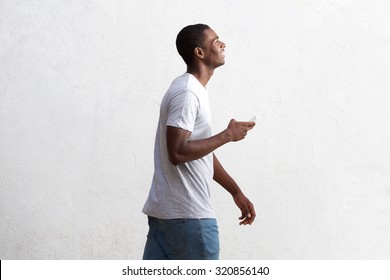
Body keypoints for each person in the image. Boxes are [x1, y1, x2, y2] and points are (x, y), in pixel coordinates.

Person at [142, 23, 256, 260]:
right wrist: (227, 135)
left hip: (168, 217)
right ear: (199, 52)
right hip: (190, 219)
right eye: (216, 41)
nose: (222, 44)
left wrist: (235, 192)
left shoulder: (193, 90)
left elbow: (198, 150)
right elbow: (178, 152)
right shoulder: (188, 92)